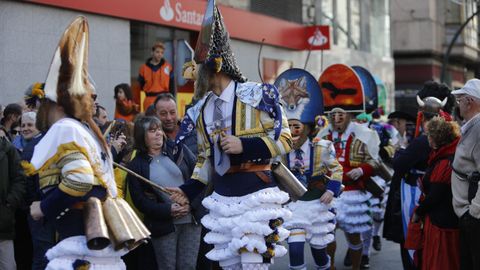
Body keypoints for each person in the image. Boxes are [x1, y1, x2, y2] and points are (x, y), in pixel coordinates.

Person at [166, 1, 293, 269]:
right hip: (222, 199)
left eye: (199, 64)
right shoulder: (200, 110)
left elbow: (286, 140)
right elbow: (204, 159)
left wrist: (244, 145)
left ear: (215, 65)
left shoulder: (259, 95)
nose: (193, 72)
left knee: (252, 262)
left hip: (255, 193)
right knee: (230, 265)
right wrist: (187, 191)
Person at [23, 16, 141, 269]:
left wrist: (43, 207)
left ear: (53, 101)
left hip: (78, 238)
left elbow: (79, 179)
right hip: (94, 238)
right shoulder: (84, 131)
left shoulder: (66, 129)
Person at [275, 68, 342, 270]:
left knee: (320, 254)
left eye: (297, 127)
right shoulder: (280, 150)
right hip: (294, 207)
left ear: (309, 127)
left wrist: (331, 190)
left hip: (316, 205)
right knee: (295, 252)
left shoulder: (323, 147)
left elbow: (337, 170)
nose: (293, 132)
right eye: (289, 127)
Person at [383, 81, 454, 270]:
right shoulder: (449, 133)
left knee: (413, 241)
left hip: (418, 193)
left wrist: (399, 151)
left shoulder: (424, 139)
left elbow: (400, 164)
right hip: (434, 194)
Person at [317, 64, 380, 270]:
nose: (336, 119)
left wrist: (361, 170)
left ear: (349, 115)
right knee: (327, 234)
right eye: (333, 115)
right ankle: (331, 266)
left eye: (340, 115)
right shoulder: (323, 137)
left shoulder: (363, 136)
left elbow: (374, 162)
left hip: (352, 192)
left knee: (353, 236)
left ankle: (356, 265)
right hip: (329, 193)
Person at [128, 116, 199, 270]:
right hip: (163, 225)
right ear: (142, 136)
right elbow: (140, 201)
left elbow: (199, 178)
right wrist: (168, 210)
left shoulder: (179, 150)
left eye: (159, 129)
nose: (159, 133)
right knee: (167, 267)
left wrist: (191, 205)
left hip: (191, 221)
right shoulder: (136, 165)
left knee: (188, 266)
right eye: (152, 131)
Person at [408, 116, 460, 270]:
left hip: (441, 224)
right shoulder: (443, 157)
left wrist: (419, 211)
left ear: (437, 138)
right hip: (440, 219)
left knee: (441, 263)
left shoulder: (445, 162)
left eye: (429, 135)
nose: (427, 139)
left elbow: (435, 196)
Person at [450, 78, 480, 270]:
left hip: (474, 217)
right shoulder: (472, 126)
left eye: (460, 100)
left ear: (470, 101)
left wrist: (474, 213)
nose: (458, 104)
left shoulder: (478, 128)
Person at [0, 136, 26, 270]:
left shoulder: (8, 149)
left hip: (3, 222)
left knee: (8, 266)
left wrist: (8, 205)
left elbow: (19, 179)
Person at [138, 42, 173, 110]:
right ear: (152, 52)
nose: (160, 54)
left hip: (164, 99)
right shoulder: (143, 68)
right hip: (149, 99)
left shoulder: (168, 67)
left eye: (162, 53)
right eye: (157, 52)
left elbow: (172, 86)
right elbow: (141, 85)